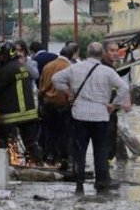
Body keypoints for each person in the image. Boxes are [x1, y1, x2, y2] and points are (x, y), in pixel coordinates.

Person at [52, 42, 131, 195]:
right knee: (100, 150)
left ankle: (79, 185)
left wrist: (68, 92)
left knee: (79, 152)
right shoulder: (108, 71)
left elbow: (56, 79)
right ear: (102, 55)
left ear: (87, 53)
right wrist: (114, 105)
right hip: (101, 117)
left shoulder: (75, 68)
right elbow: (124, 87)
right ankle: (101, 183)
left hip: (79, 116)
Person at [0, 41, 43, 164]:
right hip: (29, 114)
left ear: (8, 54)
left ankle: (4, 165)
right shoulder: (22, 66)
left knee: (1, 140)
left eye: (1, 56)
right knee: (31, 142)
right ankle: (38, 164)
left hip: (10, 115)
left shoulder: (6, 70)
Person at [38, 42, 77, 170]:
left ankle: (49, 157)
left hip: (48, 104)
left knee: (49, 132)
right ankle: (63, 159)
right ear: (71, 56)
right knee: (64, 133)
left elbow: (41, 86)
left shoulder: (48, 66)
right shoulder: (70, 67)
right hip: (63, 105)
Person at [101, 40, 130, 164]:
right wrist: (115, 104)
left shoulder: (111, 67)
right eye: (112, 50)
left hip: (110, 109)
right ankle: (105, 164)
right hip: (105, 109)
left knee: (111, 137)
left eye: (116, 50)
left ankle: (107, 162)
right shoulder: (104, 67)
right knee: (107, 138)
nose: (115, 53)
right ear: (104, 52)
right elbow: (122, 87)